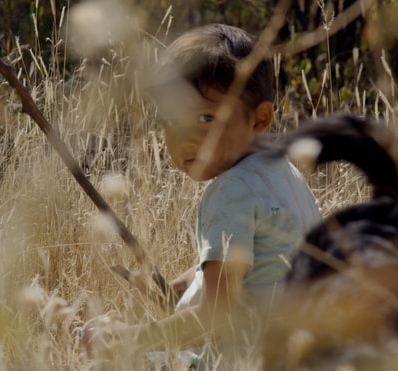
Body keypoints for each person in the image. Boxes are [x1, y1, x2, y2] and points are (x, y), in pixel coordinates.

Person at [78, 23, 322, 370]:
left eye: (206, 117)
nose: (186, 139)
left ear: (260, 118)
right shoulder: (282, 173)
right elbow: (249, 264)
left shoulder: (232, 190)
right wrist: (174, 290)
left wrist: (128, 337)